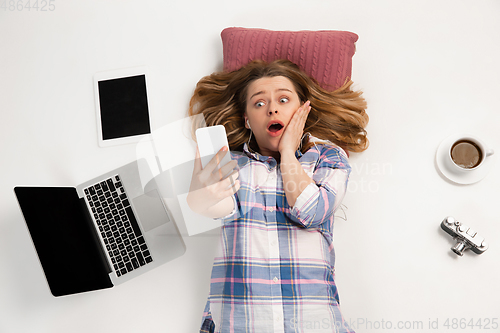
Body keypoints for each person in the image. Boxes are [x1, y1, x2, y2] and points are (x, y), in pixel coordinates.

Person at [187, 59, 368, 333]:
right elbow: (214, 209)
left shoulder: (327, 158)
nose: (272, 107)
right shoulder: (231, 164)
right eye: (259, 104)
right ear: (247, 120)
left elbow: (312, 210)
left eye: (284, 100)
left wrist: (287, 152)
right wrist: (198, 197)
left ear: (301, 112)